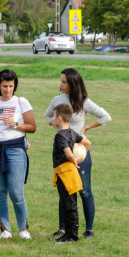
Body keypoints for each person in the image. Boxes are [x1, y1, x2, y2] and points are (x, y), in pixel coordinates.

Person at [43, 68, 111, 240]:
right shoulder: (57, 100)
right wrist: (55, 125)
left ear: (73, 83)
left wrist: (86, 128)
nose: (61, 84)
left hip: (80, 153)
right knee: (64, 190)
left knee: (85, 191)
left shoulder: (83, 101)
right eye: (61, 81)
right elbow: (46, 116)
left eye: (64, 82)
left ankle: (89, 230)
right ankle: (63, 229)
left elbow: (105, 117)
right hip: (63, 152)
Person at [0, 69, 37, 240]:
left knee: (16, 193)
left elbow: (32, 127)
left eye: (11, 86)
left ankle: (23, 229)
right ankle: (5, 229)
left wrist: (15, 124)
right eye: (4, 86)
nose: (8, 90)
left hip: (15, 150)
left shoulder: (21, 102)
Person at [49, 104, 92, 243]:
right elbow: (88, 142)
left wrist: (73, 158)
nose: (53, 119)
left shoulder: (60, 135)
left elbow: (67, 151)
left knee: (69, 204)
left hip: (65, 173)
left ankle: (71, 235)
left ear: (59, 118)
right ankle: (71, 233)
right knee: (71, 203)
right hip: (70, 172)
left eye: (54, 116)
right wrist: (81, 156)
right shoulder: (72, 132)